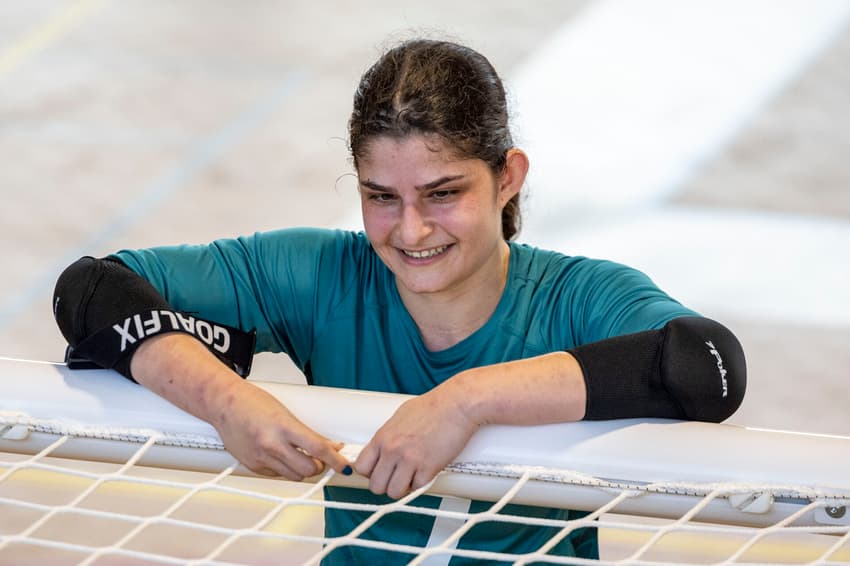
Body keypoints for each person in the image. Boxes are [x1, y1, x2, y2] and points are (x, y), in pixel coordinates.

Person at [53, 38, 746, 563]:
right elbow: (91, 288)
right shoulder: (320, 275)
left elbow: (709, 366)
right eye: (381, 197)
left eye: (444, 194)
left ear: (508, 178)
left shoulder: (577, 297)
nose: (411, 231)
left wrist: (467, 401)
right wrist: (228, 402)